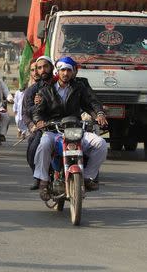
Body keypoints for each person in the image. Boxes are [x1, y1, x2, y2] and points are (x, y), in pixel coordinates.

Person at [33, 59, 108, 201]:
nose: (65, 73)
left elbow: (91, 102)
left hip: (76, 129)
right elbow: (38, 112)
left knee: (101, 144)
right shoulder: (45, 91)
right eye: (63, 70)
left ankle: (87, 177)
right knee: (43, 144)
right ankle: (43, 181)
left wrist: (99, 114)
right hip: (54, 131)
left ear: (73, 72)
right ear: (57, 72)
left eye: (68, 70)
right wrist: (39, 121)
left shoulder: (79, 88)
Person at [22, 56, 55, 190]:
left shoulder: (61, 84)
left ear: (52, 68)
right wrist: (32, 125)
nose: (42, 70)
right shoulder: (32, 90)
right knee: (32, 149)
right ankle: (38, 176)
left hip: (62, 125)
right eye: (39, 68)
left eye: (45, 66)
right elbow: (26, 112)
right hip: (41, 127)